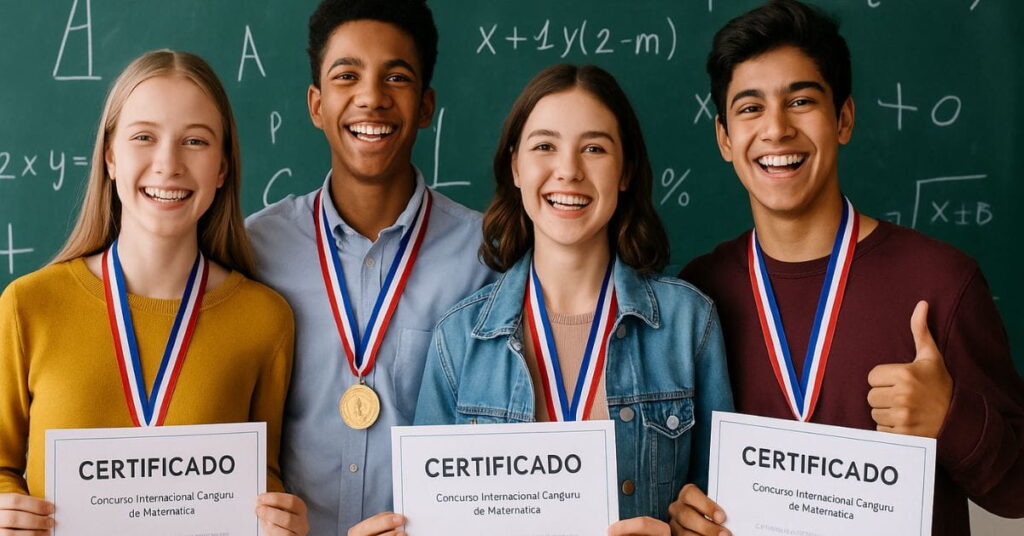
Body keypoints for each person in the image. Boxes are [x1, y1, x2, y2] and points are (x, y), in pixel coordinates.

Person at [669, 2, 1024, 535]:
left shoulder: (941, 281)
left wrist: (950, 416)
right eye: (750, 108)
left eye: (801, 101)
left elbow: (1017, 493)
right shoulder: (695, 297)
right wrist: (683, 514)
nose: (776, 129)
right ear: (724, 138)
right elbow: (684, 482)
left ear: (844, 119)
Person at [414, 64, 734, 535]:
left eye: (594, 148)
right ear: (515, 167)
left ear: (625, 171)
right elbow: (431, 520)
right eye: (545, 146)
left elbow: (719, 513)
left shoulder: (688, 322)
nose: (568, 170)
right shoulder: (459, 338)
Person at [0, 50, 308, 534]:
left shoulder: (264, 318)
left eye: (195, 141)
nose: (168, 164)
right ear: (110, 156)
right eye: (144, 137)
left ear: (222, 168)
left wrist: (280, 521)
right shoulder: (28, 306)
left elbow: (261, 477)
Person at [244, 1, 493, 534]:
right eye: (347, 76)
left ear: (426, 106)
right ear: (316, 104)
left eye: (396, 77)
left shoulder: (486, 257)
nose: (372, 97)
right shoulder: (254, 250)